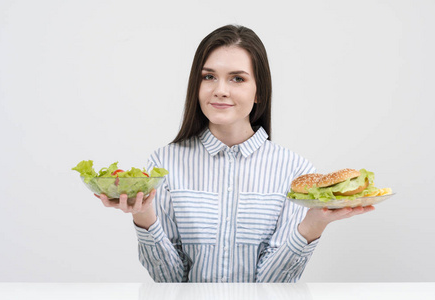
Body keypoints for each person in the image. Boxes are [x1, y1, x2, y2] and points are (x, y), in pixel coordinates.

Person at [97, 24, 374, 282]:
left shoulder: (294, 170)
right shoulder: (164, 164)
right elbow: (169, 281)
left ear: (259, 93)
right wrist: (144, 215)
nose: (220, 91)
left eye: (237, 79)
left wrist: (313, 224)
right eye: (209, 77)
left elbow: (273, 283)